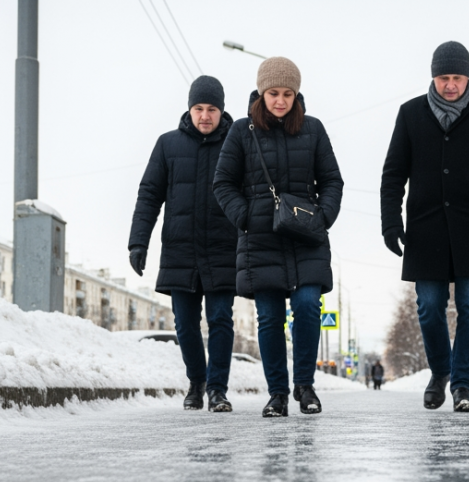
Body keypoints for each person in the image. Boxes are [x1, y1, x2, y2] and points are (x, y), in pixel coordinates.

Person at [380, 41, 469, 412]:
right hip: (426, 229)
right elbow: (393, 173)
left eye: (457, 77)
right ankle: (441, 370)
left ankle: (463, 387)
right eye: (444, 78)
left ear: (468, 76)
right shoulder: (410, 114)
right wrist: (391, 221)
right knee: (428, 307)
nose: (451, 85)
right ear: (433, 77)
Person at [214, 57, 344, 418]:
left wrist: (323, 216)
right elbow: (222, 183)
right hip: (261, 239)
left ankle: (305, 385)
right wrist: (245, 216)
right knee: (270, 318)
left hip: (306, 236)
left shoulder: (313, 129)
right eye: (274, 93)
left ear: (296, 94)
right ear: (262, 93)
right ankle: (277, 394)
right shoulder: (241, 131)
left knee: (308, 307)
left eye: (288, 93)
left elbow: (332, 180)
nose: (281, 100)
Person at [129, 75, 237, 412]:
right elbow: (149, 195)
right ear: (190, 109)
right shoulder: (168, 144)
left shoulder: (237, 144)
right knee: (185, 324)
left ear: (221, 111)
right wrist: (138, 242)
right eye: (198, 108)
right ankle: (197, 382)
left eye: (212, 109)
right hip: (181, 249)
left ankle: (217, 389)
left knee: (221, 319)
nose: (205, 116)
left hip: (223, 247)